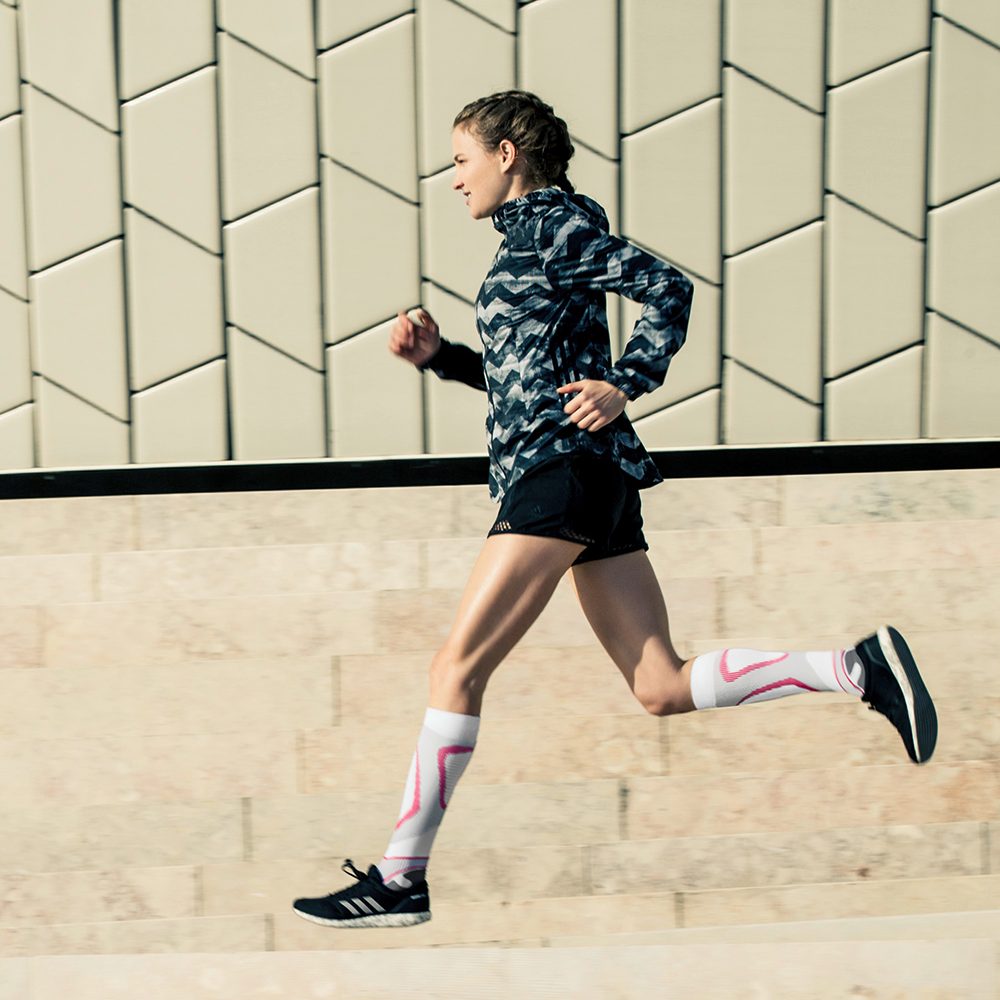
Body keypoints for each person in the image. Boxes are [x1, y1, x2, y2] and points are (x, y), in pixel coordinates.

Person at [292, 90, 938, 930]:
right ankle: (857, 668)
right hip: (588, 477)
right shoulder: (536, 239)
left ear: (506, 156)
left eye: (460, 160)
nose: (453, 179)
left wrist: (626, 382)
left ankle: (400, 875)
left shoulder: (554, 229)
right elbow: (527, 377)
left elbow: (668, 288)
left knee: (455, 668)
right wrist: (443, 357)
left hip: (556, 476)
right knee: (660, 685)